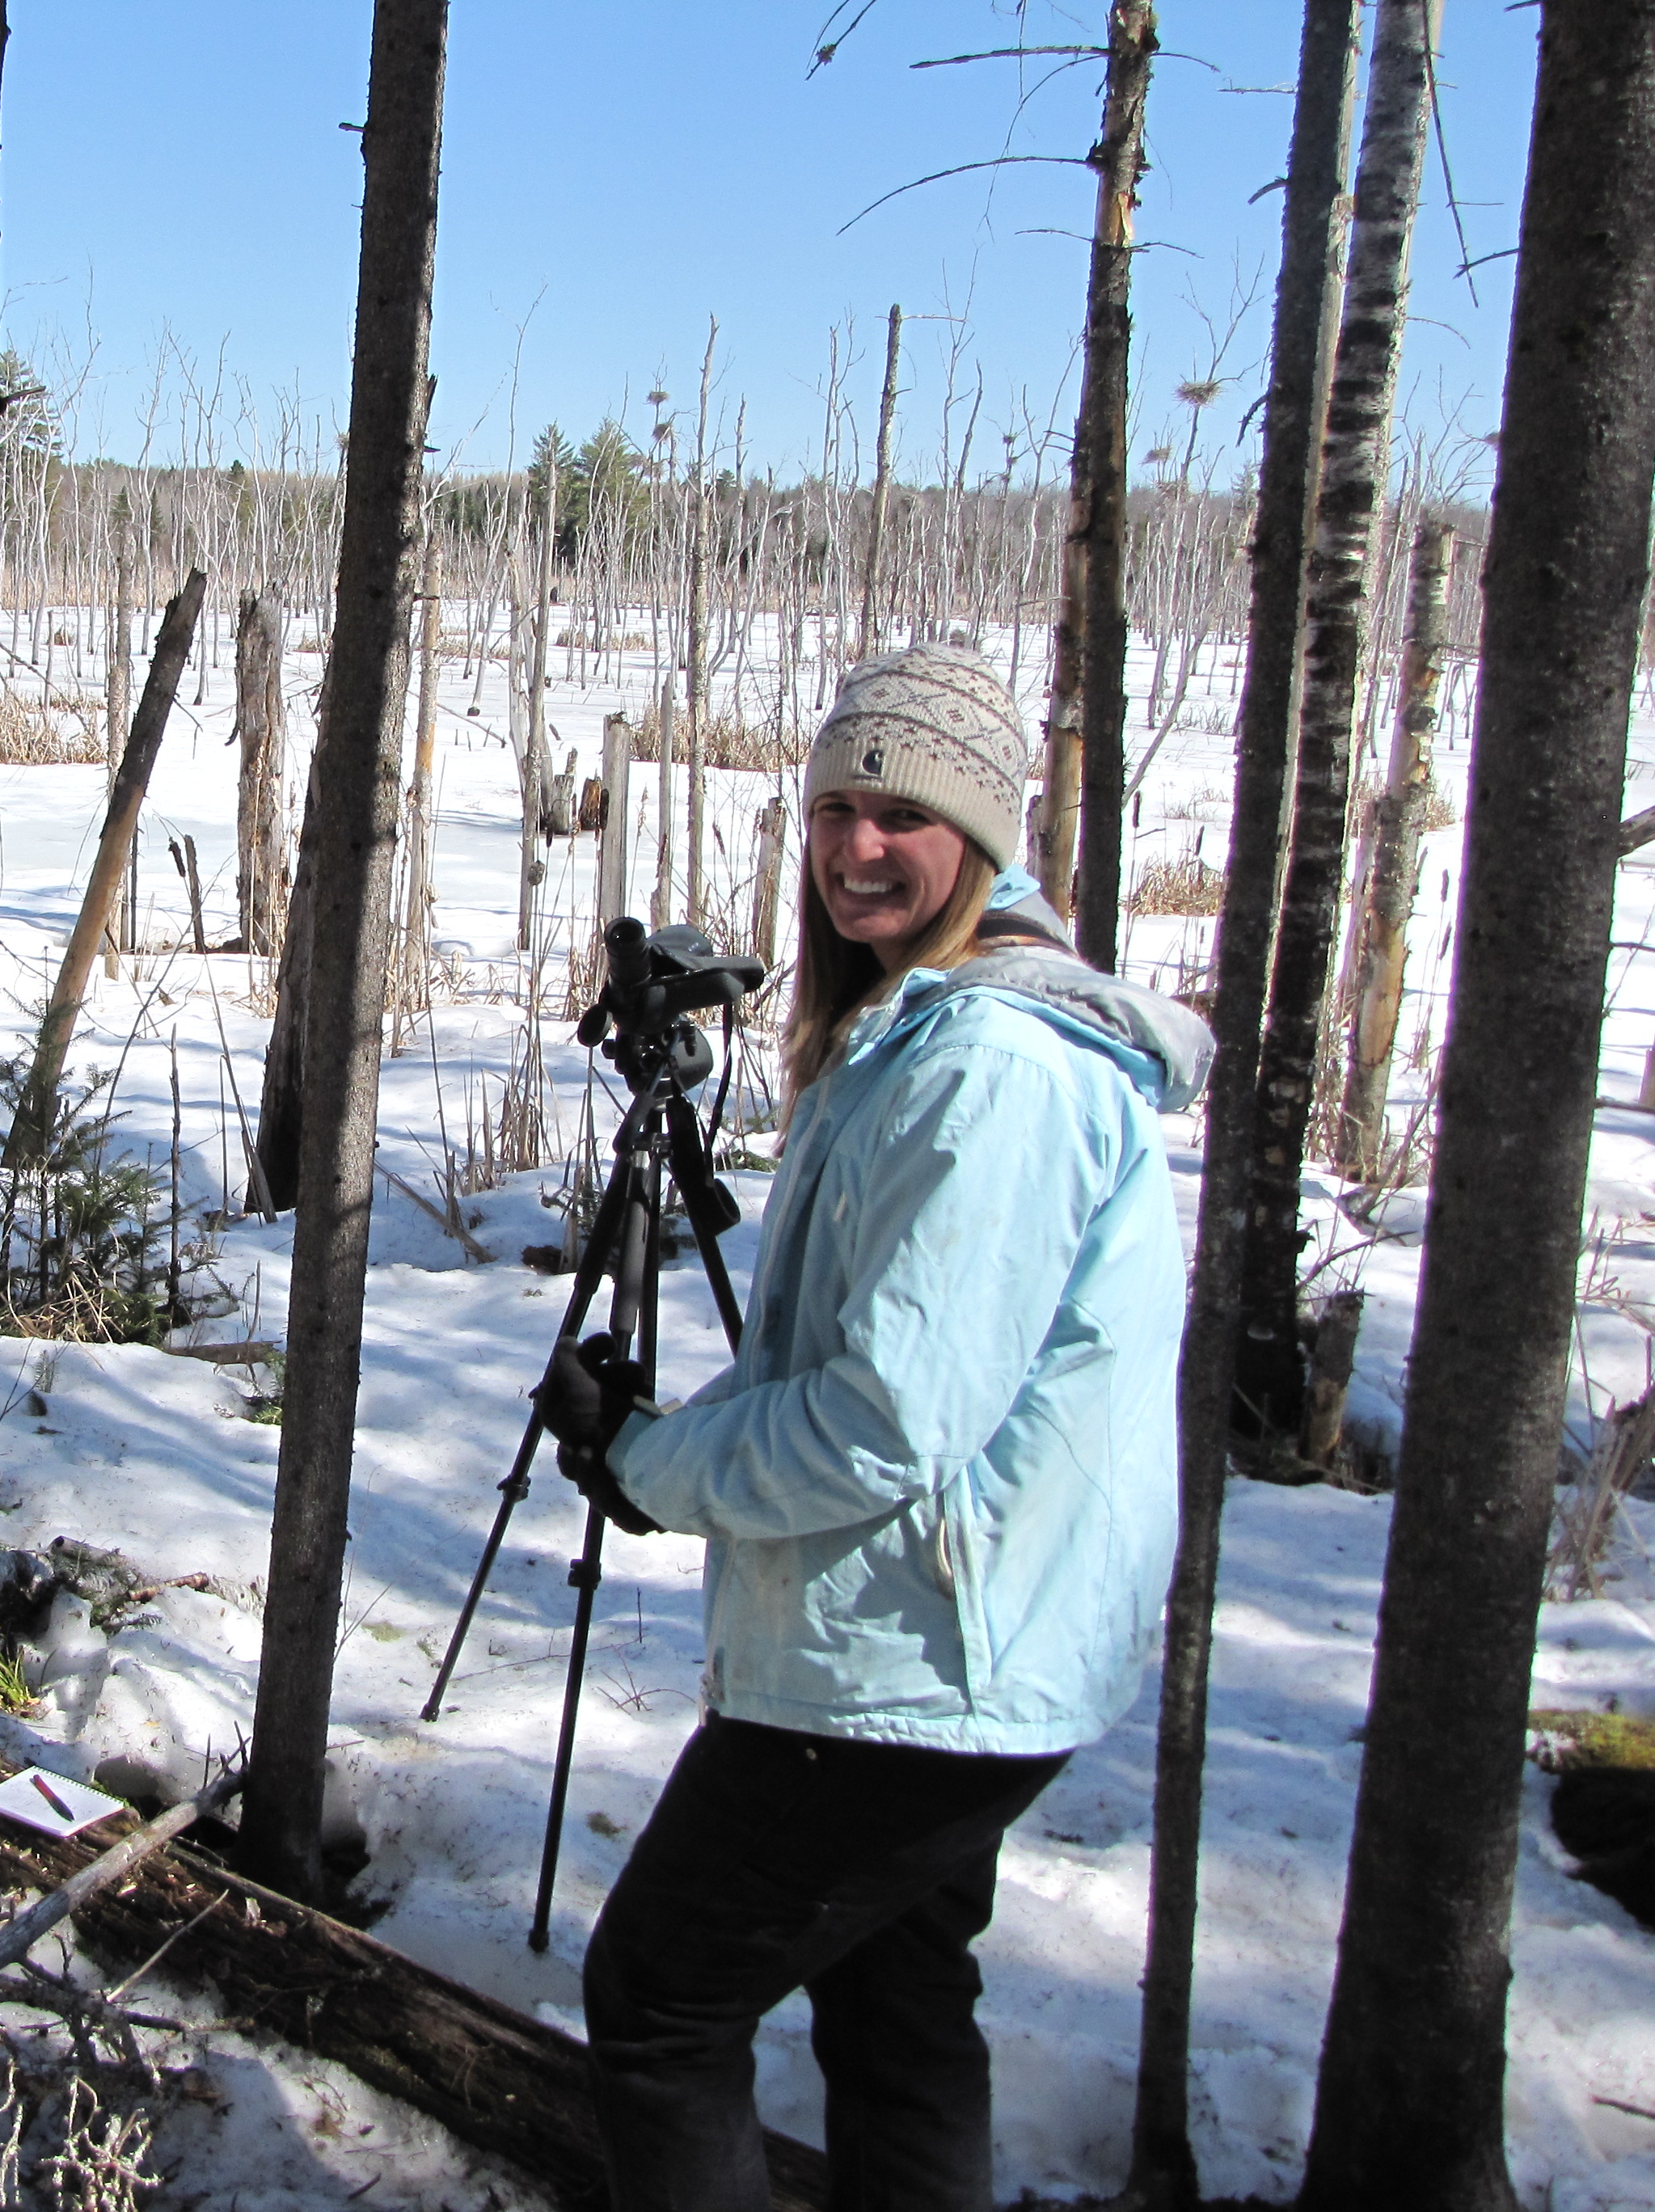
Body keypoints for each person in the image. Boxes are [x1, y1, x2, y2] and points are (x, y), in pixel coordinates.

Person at [534, 644, 1209, 2212]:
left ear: (979, 831)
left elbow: (882, 1422)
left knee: (661, 1998)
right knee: (897, 2010)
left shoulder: (989, 1069)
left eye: (900, 811)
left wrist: (642, 1464)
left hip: (916, 1658)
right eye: (837, 806)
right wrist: (666, 1444)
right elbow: (882, 1365)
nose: (855, 848)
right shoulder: (928, 1031)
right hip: (951, 1635)